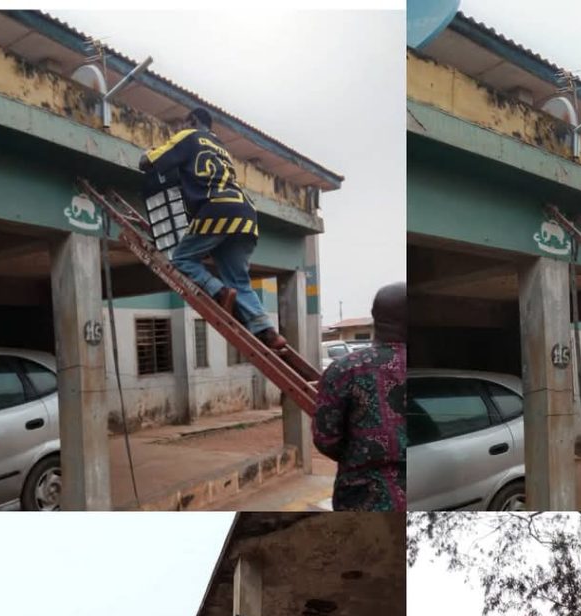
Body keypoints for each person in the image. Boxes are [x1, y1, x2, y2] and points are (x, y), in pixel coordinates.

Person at [139, 107, 286, 350]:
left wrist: (148, 153)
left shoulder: (189, 137)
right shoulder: (221, 149)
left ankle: (219, 293)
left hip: (218, 209)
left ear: (193, 120)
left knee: (182, 259)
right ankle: (268, 331)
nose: (180, 128)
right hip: (246, 215)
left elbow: (149, 162)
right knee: (240, 280)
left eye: (183, 123)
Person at [312, 282, 406, 511]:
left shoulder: (344, 370)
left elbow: (326, 438)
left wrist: (359, 455)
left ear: (373, 316)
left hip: (361, 496)